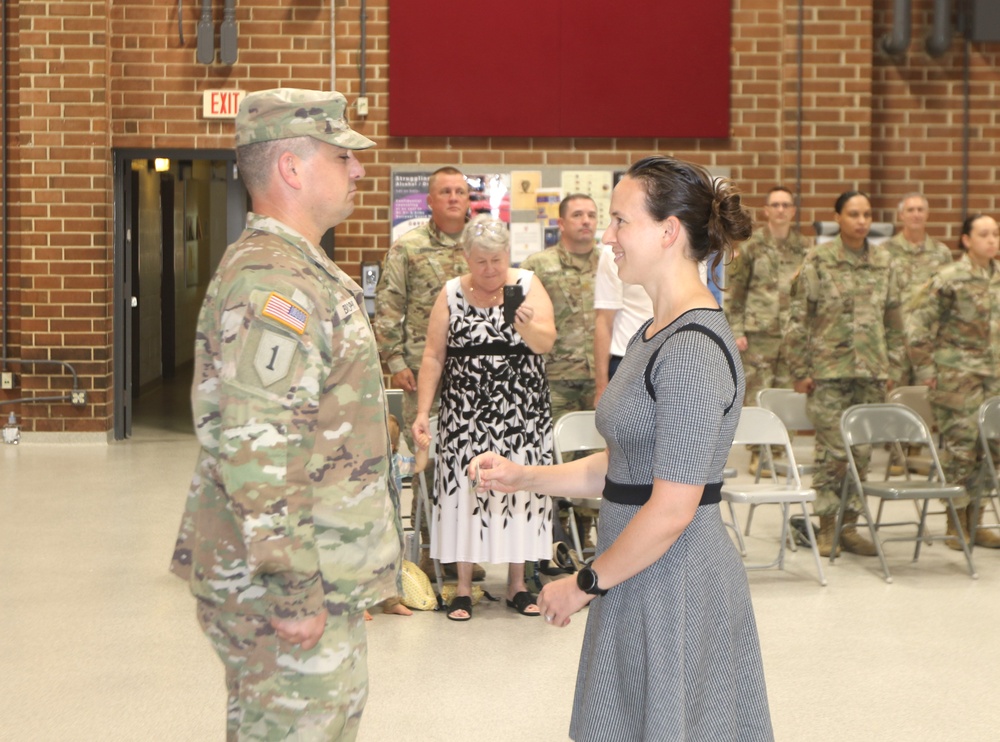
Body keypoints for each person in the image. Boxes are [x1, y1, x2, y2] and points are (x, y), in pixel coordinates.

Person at [471, 156, 773, 740]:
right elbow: (628, 464)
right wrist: (526, 476)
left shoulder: (690, 349)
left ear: (668, 232)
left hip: (672, 578)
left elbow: (672, 507)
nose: (607, 235)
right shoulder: (653, 331)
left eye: (619, 221)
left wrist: (583, 583)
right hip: (635, 569)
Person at [170, 88, 402, 740]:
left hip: (311, 574)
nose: (358, 169)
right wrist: (294, 590)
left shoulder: (297, 269)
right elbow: (259, 446)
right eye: (341, 156)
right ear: (293, 169)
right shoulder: (275, 283)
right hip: (291, 588)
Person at [412, 214, 557, 621]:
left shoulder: (527, 285)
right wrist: (424, 412)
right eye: (481, 262)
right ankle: (462, 587)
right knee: (465, 494)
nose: (490, 270)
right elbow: (433, 355)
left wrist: (527, 326)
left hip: (521, 413)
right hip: (465, 415)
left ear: (508, 254)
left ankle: (517, 584)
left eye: (497, 259)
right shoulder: (450, 293)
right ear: (466, 258)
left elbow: (547, 342)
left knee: (520, 493)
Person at [374, 166, 486, 581]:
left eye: (460, 191)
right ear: (430, 201)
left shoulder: (483, 244)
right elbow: (388, 308)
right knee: (431, 465)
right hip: (425, 379)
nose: (454, 197)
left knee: (472, 465)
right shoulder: (408, 247)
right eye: (445, 191)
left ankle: (464, 554)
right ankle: (429, 552)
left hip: (478, 377)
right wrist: (396, 362)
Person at [783, 190, 905, 557]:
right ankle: (826, 529)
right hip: (828, 373)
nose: (862, 221)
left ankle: (849, 527)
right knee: (833, 454)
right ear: (838, 218)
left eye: (867, 214)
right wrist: (799, 369)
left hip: (871, 372)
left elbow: (895, 321)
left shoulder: (885, 262)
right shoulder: (819, 260)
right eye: (853, 214)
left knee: (861, 453)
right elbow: (798, 318)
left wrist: (893, 367)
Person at [906, 214, 1000, 549]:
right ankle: (955, 520)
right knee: (962, 449)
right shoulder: (949, 278)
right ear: (966, 240)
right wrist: (927, 372)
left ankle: (977, 517)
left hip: (994, 379)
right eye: (984, 234)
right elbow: (917, 324)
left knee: (991, 450)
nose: (992, 240)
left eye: (995, 234)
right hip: (956, 379)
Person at [521, 194, 602, 555]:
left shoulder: (612, 263)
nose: (586, 221)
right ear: (561, 222)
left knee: (597, 456)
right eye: (578, 215)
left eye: (592, 215)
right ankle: (556, 538)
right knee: (556, 460)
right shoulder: (538, 265)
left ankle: (586, 535)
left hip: (604, 378)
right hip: (554, 378)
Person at [725, 186, 811, 475]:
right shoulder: (751, 248)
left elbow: (810, 296)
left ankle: (779, 449)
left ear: (794, 211)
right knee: (758, 393)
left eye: (786, 205)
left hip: (792, 335)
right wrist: (736, 330)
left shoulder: (805, 249)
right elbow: (735, 294)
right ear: (766, 210)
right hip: (758, 334)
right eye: (775, 205)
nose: (781, 210)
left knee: (788, 392)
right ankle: (757, 452)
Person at [883, 192, 953, 385]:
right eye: (910, 210)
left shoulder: (942, 253)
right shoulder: (884, 252)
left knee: (927, 402)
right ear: (901, 215)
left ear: (927, 214)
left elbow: (948, 300)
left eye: (920, 210)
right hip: (896, 344)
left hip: (929, 343)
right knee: (893, 400)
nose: (916, 214)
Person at [593, 244, 654, 404]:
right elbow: (604, 321)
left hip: (674, 358)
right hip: (626, 361)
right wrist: (601, 387)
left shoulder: (688, 247)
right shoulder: (613, 251)